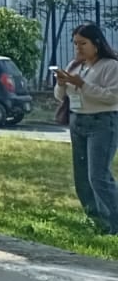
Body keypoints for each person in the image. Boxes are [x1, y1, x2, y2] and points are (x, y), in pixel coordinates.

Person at [52, 23, 118, 235]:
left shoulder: (110, 66)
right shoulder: (75, 65)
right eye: (75, 44)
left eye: (83, 43)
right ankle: (96, 219)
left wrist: (83, 85)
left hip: (101, 122)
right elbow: (60, 97)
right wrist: (62, 83)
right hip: (77, 121)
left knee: (97, 176)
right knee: (81, 177)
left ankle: (114, 220)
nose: (78, 48)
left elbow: (112, 97)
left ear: (96, 44)